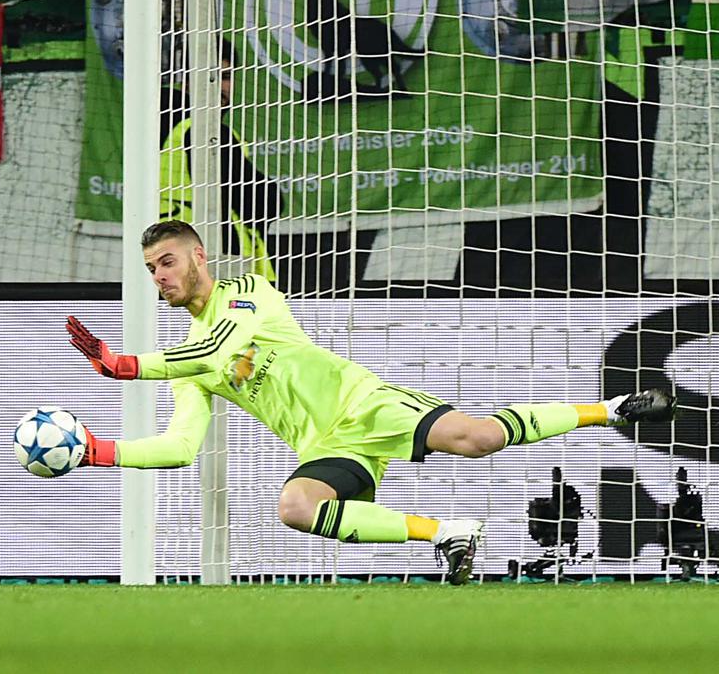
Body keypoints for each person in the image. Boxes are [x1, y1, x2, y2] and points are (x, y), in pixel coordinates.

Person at [65, 220, 677, 584]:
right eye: (150, 269)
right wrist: (97, 452)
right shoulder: (188, 365)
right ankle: (447, 532)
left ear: (200, 255)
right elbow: (179, 447)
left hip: (366, 403)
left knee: (479, 439)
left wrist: (126, 365)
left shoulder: (248, 291)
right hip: (329, 445)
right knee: (296, 506)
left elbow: (232, 343)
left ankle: (612, 407)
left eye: (167, 261)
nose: (160, 276)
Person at [160, 38, 282, 282]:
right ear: (185, 80)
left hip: (171, 260)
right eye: (209, 76)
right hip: (218, 262)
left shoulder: (159, 126)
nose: (218, 86)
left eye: (225, 76)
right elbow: (261, 201)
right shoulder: (207, 132)